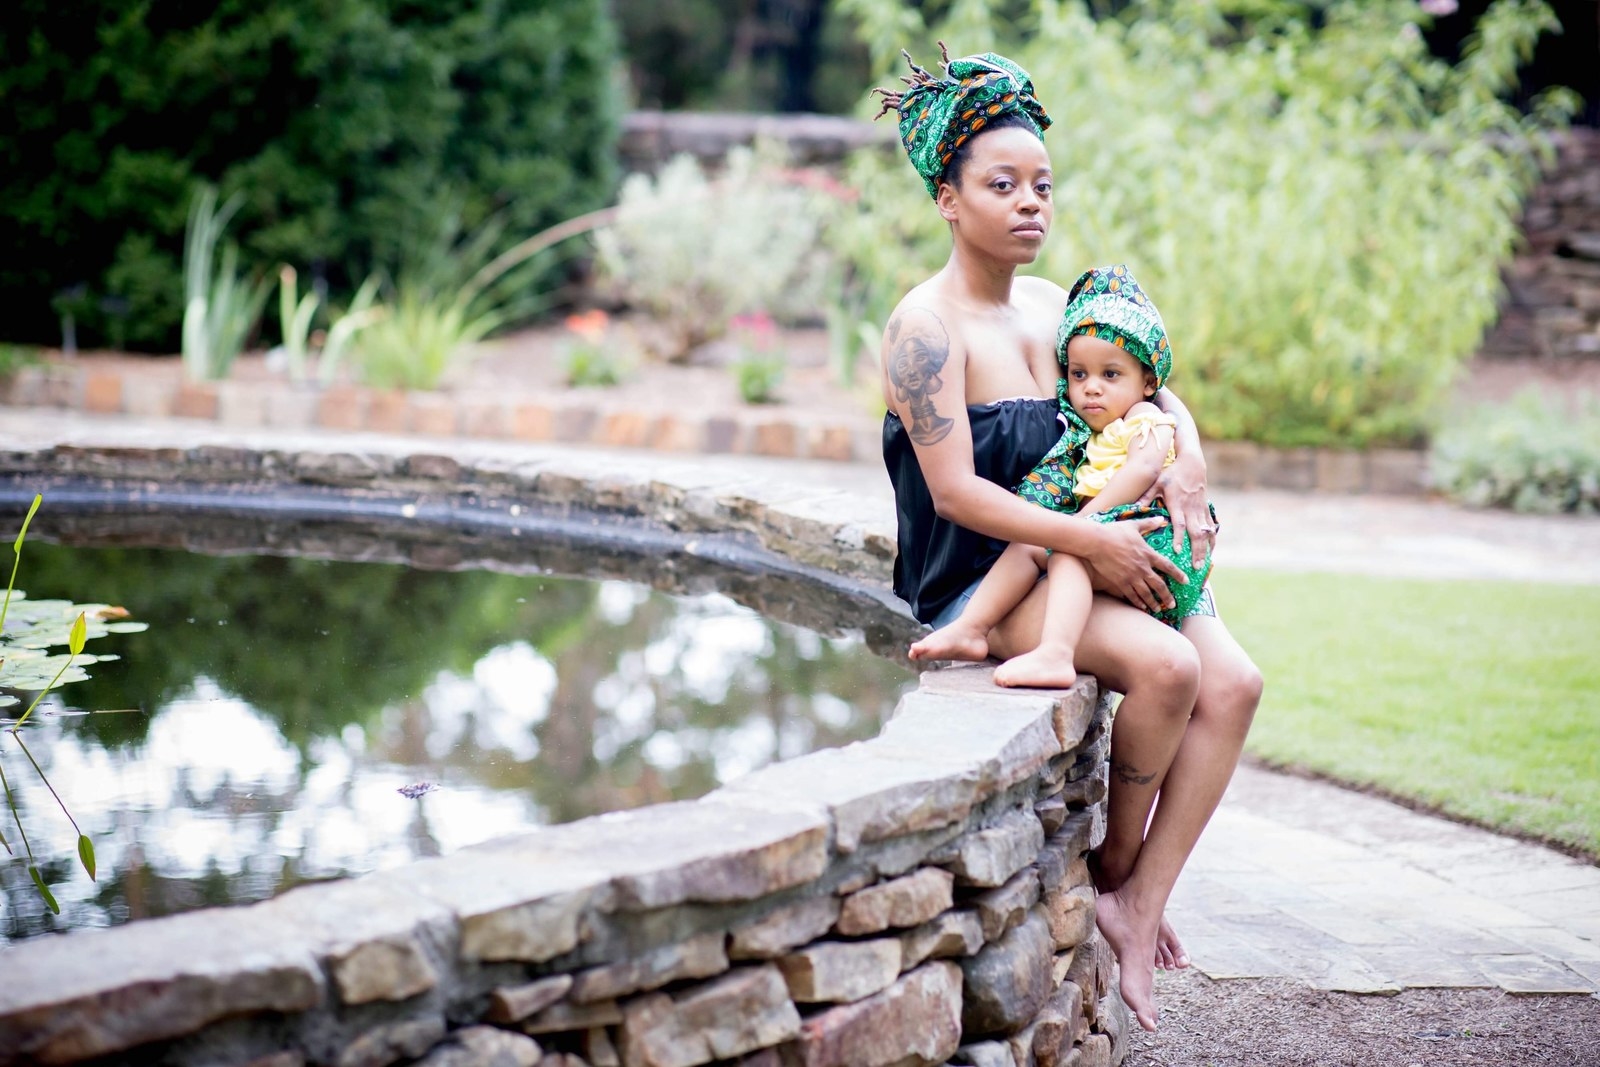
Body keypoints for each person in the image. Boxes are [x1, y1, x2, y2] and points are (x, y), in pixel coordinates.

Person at [874, 45, 1263, 1032]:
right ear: (946, 197)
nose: (1029, 203)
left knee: (1235, 680)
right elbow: (957, 492)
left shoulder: (1058, 306)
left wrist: (1191, 462)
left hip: (1095, 549)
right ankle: (1116, 864)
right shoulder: (923, 330)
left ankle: (1136, 905)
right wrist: (1089, 543)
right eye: (1000, 184)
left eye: (1041, 184)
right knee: (1168, 668)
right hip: (989, 575)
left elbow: (1155, 388)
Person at [908, 263, 1218, 690]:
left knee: (1066, 549)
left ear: (1146, 380)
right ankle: (971, 627)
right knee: (1033, 545)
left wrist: (1086, 523)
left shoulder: (1144, 414)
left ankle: (1055, 653)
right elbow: (953, 492)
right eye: (1078, 375)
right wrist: (1081, 529)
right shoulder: (923, 325)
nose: (1091, 388)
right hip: (1106, 526)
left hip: (1141, 529)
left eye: (1109, 376)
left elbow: (1144, 464)